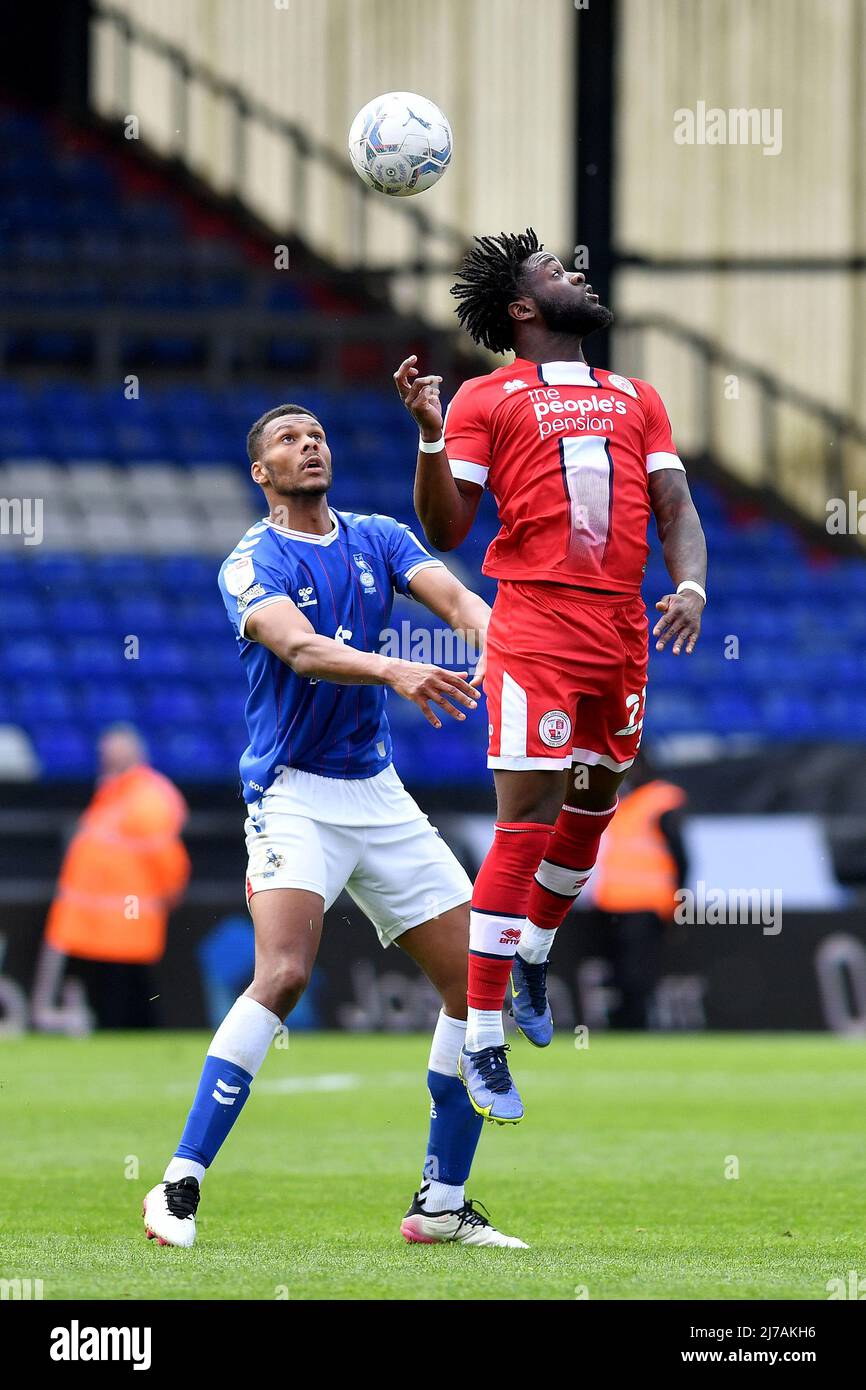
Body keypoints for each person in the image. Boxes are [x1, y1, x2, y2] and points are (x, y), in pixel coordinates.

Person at [142, 403, 527, 1250]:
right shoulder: (251, 562)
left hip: (377, 794)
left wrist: (515, 656)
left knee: (476, 986)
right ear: (261, 474)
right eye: (287, 439)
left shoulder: (380, 536)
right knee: (281, 975)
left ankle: (441, 1204)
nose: (307, 445)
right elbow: (303, 649)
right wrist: (397, 668)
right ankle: (178, 1185)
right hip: (293, 794)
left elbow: (461, 600)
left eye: (316, 434)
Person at [394, 227, 707, 1121]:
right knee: (525, 820)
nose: (575, 272)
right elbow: (450, 531)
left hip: (621, 628)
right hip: (536, 622)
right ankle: (485, 1039)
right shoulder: (487, 401)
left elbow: (676, 507)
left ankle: (532, 952)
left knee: (598, 803)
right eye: (552, 271)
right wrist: (426, 436)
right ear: (524, 308)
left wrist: (688, 584)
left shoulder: (636, 397)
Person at [40, 725, 190, 1030]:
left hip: (126, 918)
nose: (106, 759)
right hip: (98, 924)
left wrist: (167, 895)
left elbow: (167, 857)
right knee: (114, 996)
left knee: (127, 997)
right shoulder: (114, 793)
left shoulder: (147, 795)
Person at [590, 751, 689, 1028]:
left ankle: (635, 1025)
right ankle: (624, 1025)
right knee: (619, 972)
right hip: (612, 901)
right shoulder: (624, 802)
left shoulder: (661, 800)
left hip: (646, 902)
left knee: (637, 973)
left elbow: (681, 857)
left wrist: (679, 899)